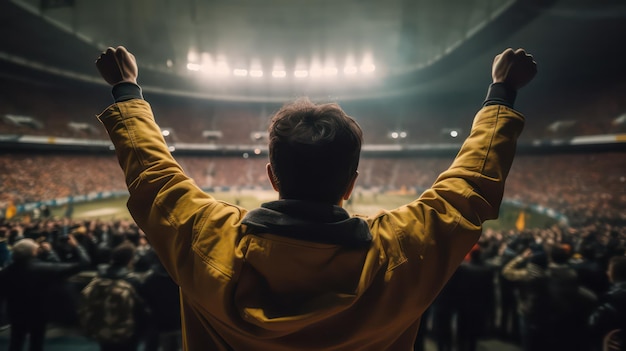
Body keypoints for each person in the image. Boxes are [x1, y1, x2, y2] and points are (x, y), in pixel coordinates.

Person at [94, 45, 536, 350]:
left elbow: (154, 175)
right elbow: (468, 188)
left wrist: (126, 90)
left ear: (272, 175)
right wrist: (502, 93)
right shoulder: (401, 249)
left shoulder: (206, 238)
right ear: (351, 183)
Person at [0, 235, 90, 351]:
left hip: (15, 312)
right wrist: (76, 246)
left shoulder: (6, 272)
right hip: (38, 312)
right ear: (34, 252)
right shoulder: (44, 268)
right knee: (36, 343)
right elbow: (84, 263)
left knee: (16, 342)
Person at [589, 256, 626, 351]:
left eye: (609, 270)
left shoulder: (610, 299)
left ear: (612, 274)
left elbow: (594, 324)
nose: (607, 272)